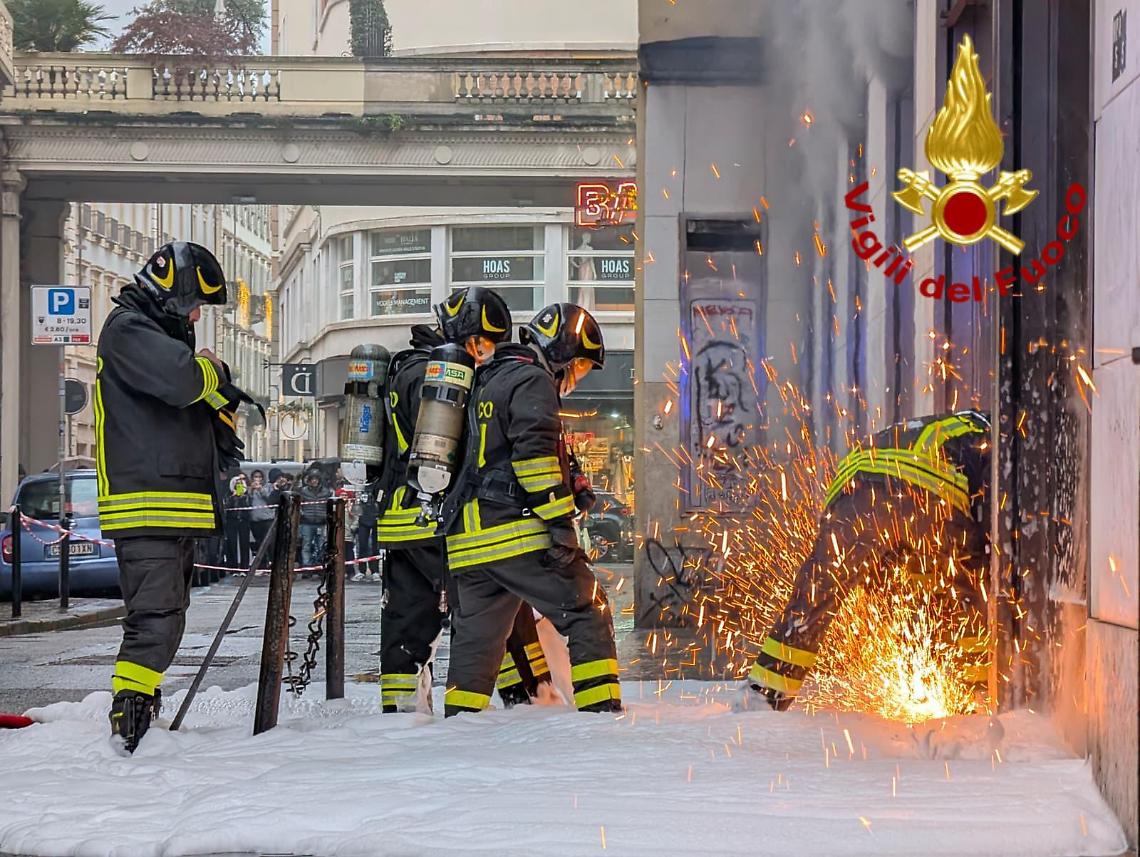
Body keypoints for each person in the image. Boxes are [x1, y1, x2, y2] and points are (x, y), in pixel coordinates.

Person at [740, 411, 992, 711]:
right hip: (926, 496)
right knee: (963, 587)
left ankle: (764, 697)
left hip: (851, 496)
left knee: (816, 598)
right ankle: (975, 697)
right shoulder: (995, 432)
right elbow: (990, 523)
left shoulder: (940, 425)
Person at [376, 287, 553, 713]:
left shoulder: (403, 368)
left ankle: (400, 713)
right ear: (467, 337)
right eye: (483, 344)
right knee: (492, 607)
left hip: (399, 519)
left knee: (408, 617)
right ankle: (529, 699)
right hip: (437, 518)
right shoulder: (443, 376)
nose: (485, 354)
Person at [440, 302, 621, 717]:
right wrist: (560, 526)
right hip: (516, 534)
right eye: (578, 367)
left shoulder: (486, 377)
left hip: (467, 543)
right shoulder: (533, 379)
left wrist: (571, 479)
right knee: (587, 609)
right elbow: (534, 460)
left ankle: (458, 728)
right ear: (561, 353)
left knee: (477, 644)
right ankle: (602, 719)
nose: (576, 379)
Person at [95, 240, 231, 753]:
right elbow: (184, 380)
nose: (197, 314)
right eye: (194, 303)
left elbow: (203, 392)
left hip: (172, 505)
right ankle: (129, 720)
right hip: (146, 504)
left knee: (167, 614)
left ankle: (139, 706)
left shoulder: (153, 333)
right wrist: (211, 371)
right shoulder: (129, 331)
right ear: (170, 295)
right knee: (154, 616)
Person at [298, 468, 332, 571]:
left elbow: (329, 506)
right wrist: (302, 514)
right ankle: (307, 567)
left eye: (316, 479)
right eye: (312, 479)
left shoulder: (326, 492)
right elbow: (298, 505)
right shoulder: (303, 492)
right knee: (306, 546)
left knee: (321, 545)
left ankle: (319, 565)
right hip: (307, 522)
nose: (314, 481)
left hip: (321, 523)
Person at [246, 469, 278, 569]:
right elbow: (247, 503)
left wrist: (261, 490)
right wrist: (251, 491)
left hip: (267, 519)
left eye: (259, 477)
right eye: (255, 477)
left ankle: (273, 563)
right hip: (255, 519)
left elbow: (270, 499)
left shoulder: (268, 487)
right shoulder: (249, 489)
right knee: (259, 543)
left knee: (269, 542)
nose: (257, 479)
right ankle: (262, 564)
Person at [224, 474, 251, 569]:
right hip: (231, 521)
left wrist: (242, 497)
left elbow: (248, 506)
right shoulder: (228, 494)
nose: (238, 486)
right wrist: (233, 497)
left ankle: (244, 567)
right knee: (232, 544)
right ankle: (233, 567)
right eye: (236, 484)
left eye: (240, 484)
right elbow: (226, 507)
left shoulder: (247, 495)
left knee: (244, 544)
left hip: (243, 521)